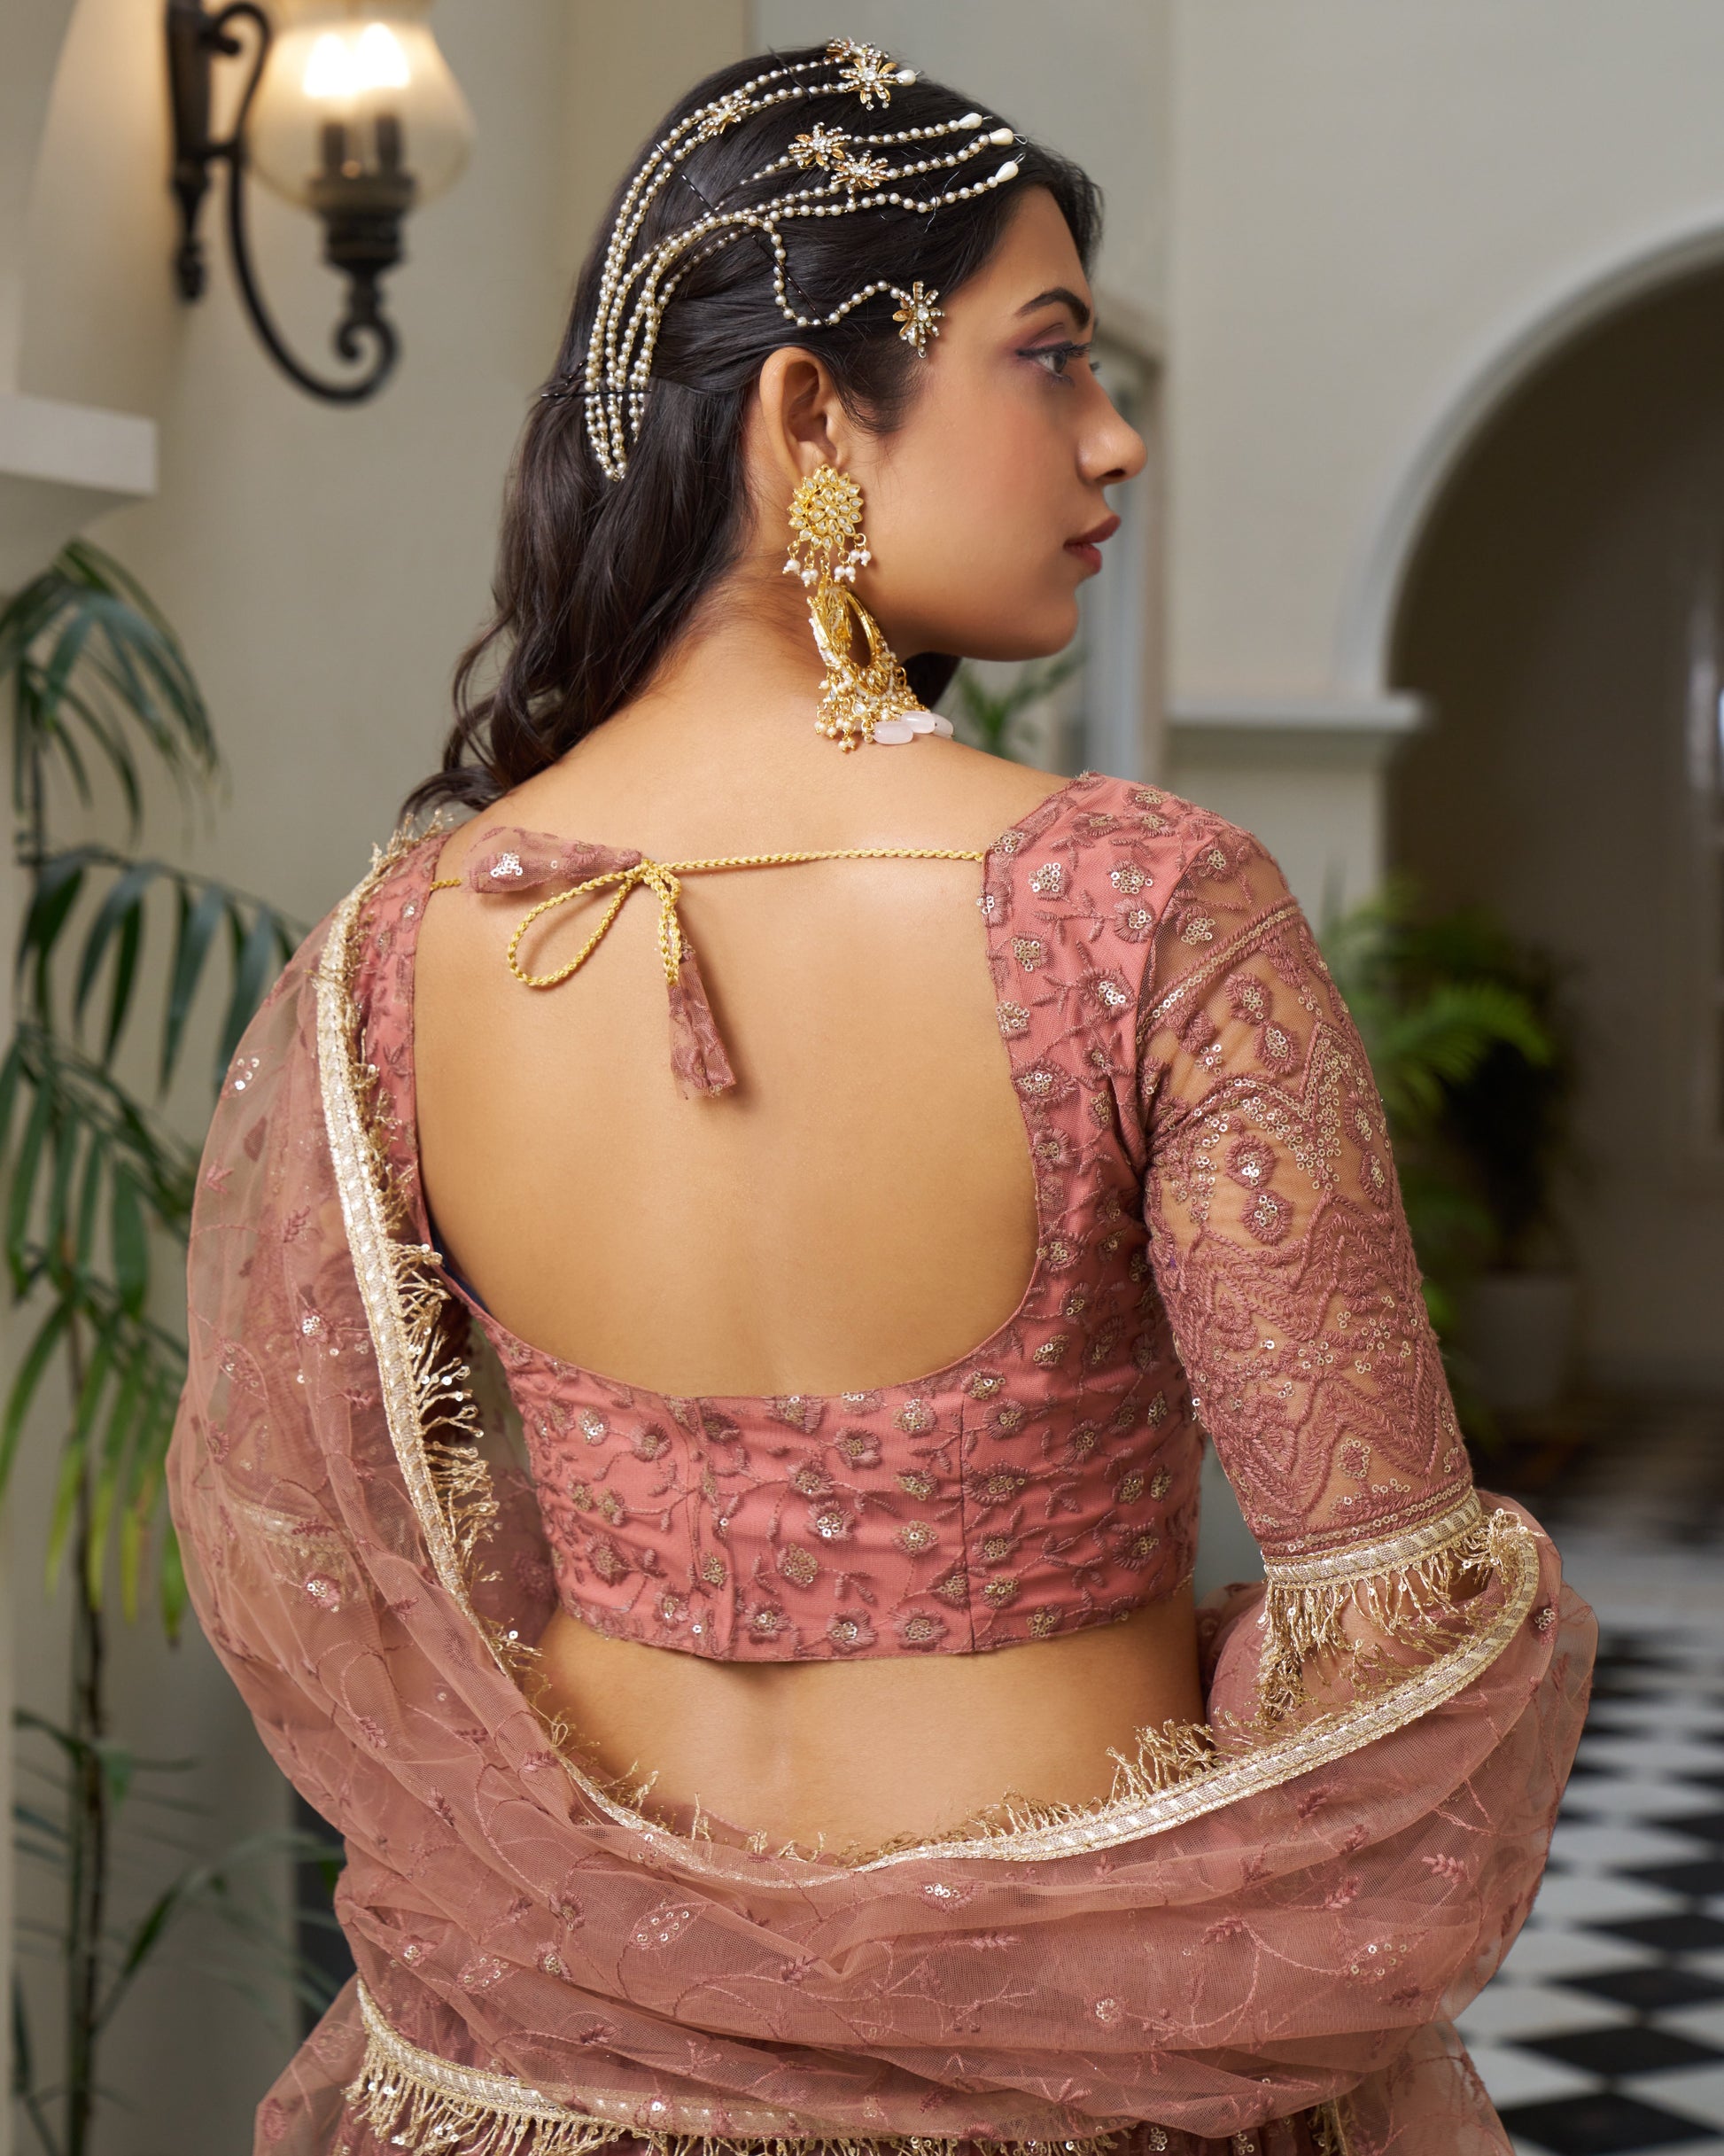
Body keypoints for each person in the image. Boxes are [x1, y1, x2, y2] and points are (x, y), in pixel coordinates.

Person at [167, 40, 1594, 2156]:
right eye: (1050, 359)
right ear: (808, 415)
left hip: (539, 2076)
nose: (1115, 441)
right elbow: (1385, 1622)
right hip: (1076, 2074)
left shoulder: (402, 940)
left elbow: (325, 1565)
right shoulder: (1142, 909)